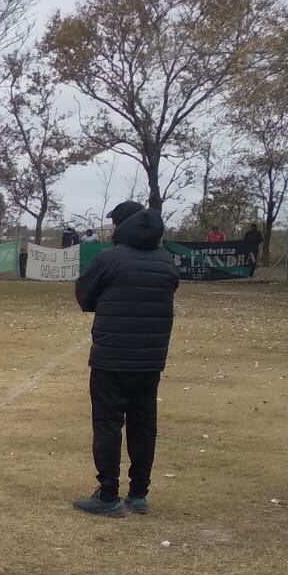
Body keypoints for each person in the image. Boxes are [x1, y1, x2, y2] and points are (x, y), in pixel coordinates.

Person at [72, 201, 180, 518]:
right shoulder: (166, 262)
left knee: (108, 424)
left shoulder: (110, 259)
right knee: (143, 425)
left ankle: (107, 494)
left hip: (111, 358)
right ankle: (138, 493)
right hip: (150, 360)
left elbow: (85, 295)